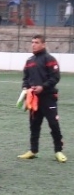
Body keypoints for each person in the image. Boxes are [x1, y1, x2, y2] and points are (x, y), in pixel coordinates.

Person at [17, 35, 67, 163]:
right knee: (34, 125)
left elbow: (55, 77)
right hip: (34, 99)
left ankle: (58, 151)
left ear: (43, 44)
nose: (33, 44)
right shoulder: (29, 61)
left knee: (54, 124)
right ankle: (33, 151)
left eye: (37, 42)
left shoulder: (50, 59)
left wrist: (42, 87)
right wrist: (25, 88)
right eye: (32, 42)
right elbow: (26, 78)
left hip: (48, 98)